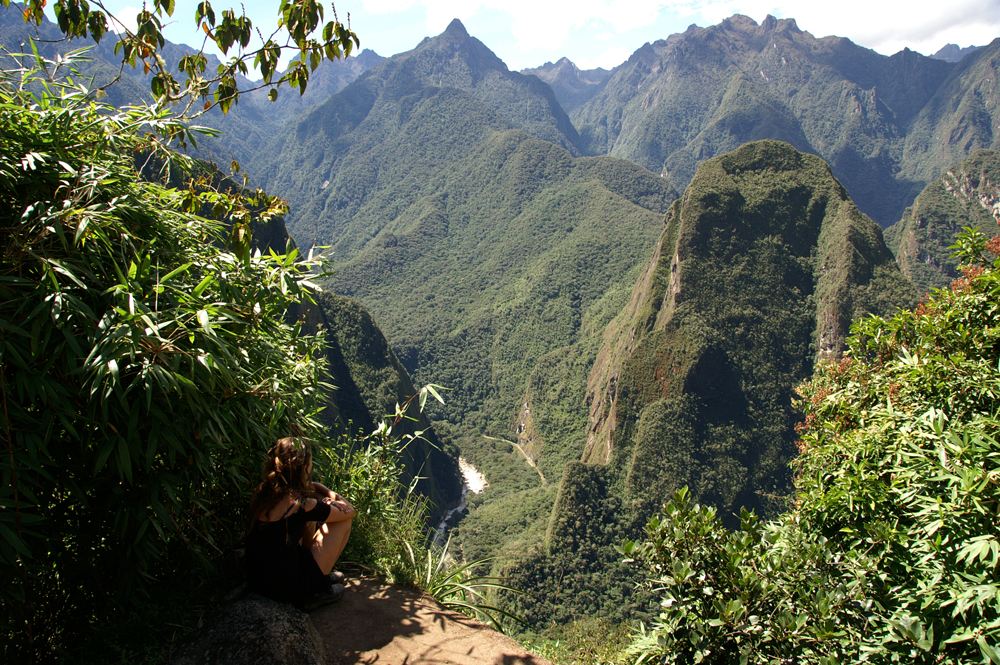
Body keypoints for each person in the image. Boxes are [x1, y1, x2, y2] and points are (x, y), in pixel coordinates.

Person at [244, 437, 356, 610]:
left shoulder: (261, 492)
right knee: (343, 522)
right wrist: (322, 489)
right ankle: (316, 592)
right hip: (289, 591)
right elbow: (349, 511)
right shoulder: (301, 505)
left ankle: (315, 576)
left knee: (304, 524)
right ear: (305, 468)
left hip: (258, 581)